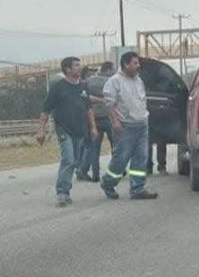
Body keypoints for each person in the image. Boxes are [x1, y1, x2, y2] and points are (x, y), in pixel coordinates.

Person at [36, 56, 98, 207]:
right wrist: (41, 130)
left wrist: (93, 127)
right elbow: (45, 110)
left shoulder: (83, 87)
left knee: (75, 162)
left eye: (79, 65)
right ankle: (62, 192)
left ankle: (66, 190)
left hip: (80, 129)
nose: (79, 67)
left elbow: (88, 109)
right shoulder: (58, 88)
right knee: (68, 159)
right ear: (68, 69)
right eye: (76, 65)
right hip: (63, 128)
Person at [100, 51, 158, 200]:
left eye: (138, 63)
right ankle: (108, 182)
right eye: (135, 63)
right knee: (121, 159)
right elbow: (109, 103)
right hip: (125, 126)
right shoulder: (114, 81)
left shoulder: (139, 81)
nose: (138, 66)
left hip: (142, 124)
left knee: (141, 158)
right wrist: (115, 121)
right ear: (126, 64)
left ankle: (137, 189)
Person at [77, 61, 115, 182]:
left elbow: (84, 97)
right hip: (108, 117)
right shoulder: (111, 82)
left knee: (94, 148)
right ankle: (116, 170)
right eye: (113, 69)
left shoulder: (89, 81)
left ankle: (95, 173)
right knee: (115, 145)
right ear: (108, 70)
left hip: (93, 118)